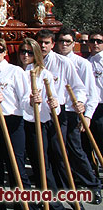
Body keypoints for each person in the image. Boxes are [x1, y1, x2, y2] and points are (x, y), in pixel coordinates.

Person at [0, 38, 33, 210]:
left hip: (12, 122)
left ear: (4, 52)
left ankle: (24, 205)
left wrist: (32, 102)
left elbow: (24, 98)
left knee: (16, 167)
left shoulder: (15, 72)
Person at [36, 29, 88, 192]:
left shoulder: (64, 62)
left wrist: (80, 102)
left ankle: (76, 187)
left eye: (46, 43)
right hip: (38, 112)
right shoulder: (31, 62)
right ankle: (50, 188)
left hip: (59, 112)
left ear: (53, 44)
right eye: (40, 42)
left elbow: (78, 87)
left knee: (60, 152)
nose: (43, 46)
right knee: (43, 153)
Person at [54, 28, 102, 204]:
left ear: (74, 43)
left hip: (73, 112)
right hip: (56, 111)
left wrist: (87, 115)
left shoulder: (83, 64)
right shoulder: (52, 61)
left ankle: (93, 185)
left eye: (67, 41)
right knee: (59, 151)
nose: (64, 44)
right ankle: (66, 185)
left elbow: (91, 93)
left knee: (76, 150)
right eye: (61, 41)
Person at [19, 38, 63, 210]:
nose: (25, 55)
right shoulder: (16, 72)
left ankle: (52, 201)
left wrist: (49, 103)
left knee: (41, 163)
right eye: (23, 51)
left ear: (36, 55)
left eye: (29, 52)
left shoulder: (44, 74)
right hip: (20, 122)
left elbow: (53, 102)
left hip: (37, 121)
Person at [87, 31, 103, 180]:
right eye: (92, 41)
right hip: (92, 106)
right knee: (91, 142)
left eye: (99, 41)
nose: (95, 44)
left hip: (102, 106)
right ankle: (94, 173)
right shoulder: (87, 62)